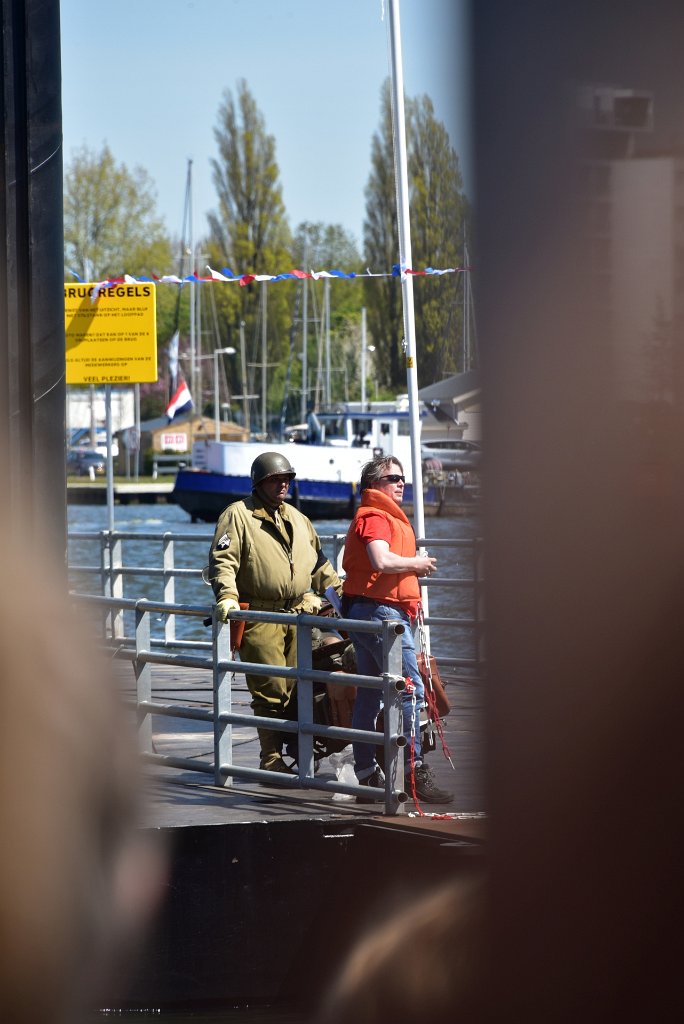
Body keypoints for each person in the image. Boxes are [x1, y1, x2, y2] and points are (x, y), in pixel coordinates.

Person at [208, 451, 344, 776]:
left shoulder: (299, 519)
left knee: (300, 686)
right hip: (261, 617)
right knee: (269, 689)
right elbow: (223, 561)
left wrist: (342, 597)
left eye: (287, 479)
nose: (283, 484)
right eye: (275, 479)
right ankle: (270, 757)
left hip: (299, 616)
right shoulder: (238, 515)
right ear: (259, 482)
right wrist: (227, 596)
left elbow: (320, 565)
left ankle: (300, 750)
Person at [342, 455, 452, 804]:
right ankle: (414, 770)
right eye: (393, 478)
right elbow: (380, 559)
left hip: (368, 611)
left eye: (403, 478)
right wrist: (417, 564)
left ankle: (366, 774)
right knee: (411, 689)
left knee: (370, 694)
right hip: (382, 615)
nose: (401, 483)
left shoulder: (377, 515)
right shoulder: (376, 516)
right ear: (374, 485)